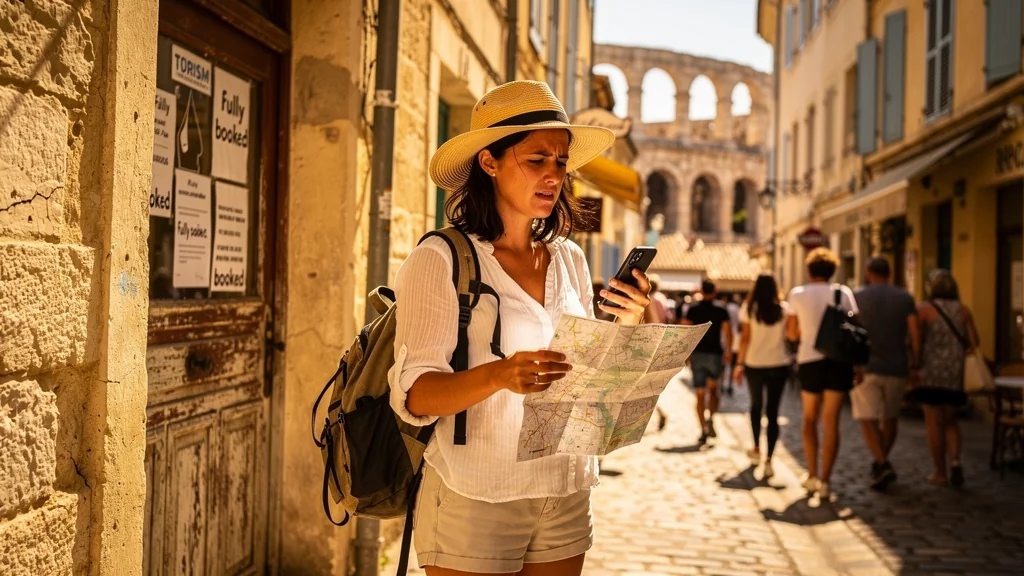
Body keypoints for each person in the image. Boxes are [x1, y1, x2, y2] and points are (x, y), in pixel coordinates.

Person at [389, 81, 651, 575]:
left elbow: (591, 375)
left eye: (561, 160)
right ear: (490, 162)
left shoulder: (570, 258)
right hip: (478, 490)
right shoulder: (440, 259)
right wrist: (500, 375)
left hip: (566, 487)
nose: (555, 175)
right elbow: (416, 395)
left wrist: (631, 323)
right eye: (537, 160)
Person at [786, 247, 858, 500]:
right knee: (831, 423)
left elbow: (792, 334)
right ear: (832, 270)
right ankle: (826, 481)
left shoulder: (798, 294)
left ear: (809, 270)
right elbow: (855, 329)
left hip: (809, 360)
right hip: (838, 361)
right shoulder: (843, 293)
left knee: (809, 419)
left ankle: (812, 475)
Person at [853, 257, 919, 491]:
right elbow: (914, 334)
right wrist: (916, 364)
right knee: (890, 418)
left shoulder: (856, 297)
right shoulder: (905, 298)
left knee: (867, 418)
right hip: (897, 365)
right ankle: (881, 462)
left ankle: (882, 461)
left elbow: (851, 334)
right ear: (889, 273)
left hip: (865, 366)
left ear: (868, 272)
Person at [911, 269, 978, 488]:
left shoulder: (924, 309)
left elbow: (917, 342)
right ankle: (956, 461)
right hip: (954, 373)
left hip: (930, 373)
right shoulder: (963, 311)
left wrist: (915, 366)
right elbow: (974, 341)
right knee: (951, 421)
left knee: (933, 423)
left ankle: (940, 472)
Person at [734, 275, 793, 480]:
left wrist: (739, 364)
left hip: (754, 363)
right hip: (778, 363)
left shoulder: (749, 309)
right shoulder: (784, 309)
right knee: (773, 412)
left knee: (756, 407)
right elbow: (792, 336)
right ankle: (769, 460)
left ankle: (757, 448)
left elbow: (745, 339)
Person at [681, 280, 733, 444]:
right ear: (715, 291)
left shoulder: (693, 309)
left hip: (697, 354)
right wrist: (729, 351)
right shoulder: (721, 309)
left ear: (701, 291)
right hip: (715, 354)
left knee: (700, 394)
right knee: (714, 390)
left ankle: (703, 429)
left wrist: (686, 354)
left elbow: (687, 332)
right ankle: (711, 417)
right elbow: (728, 332)